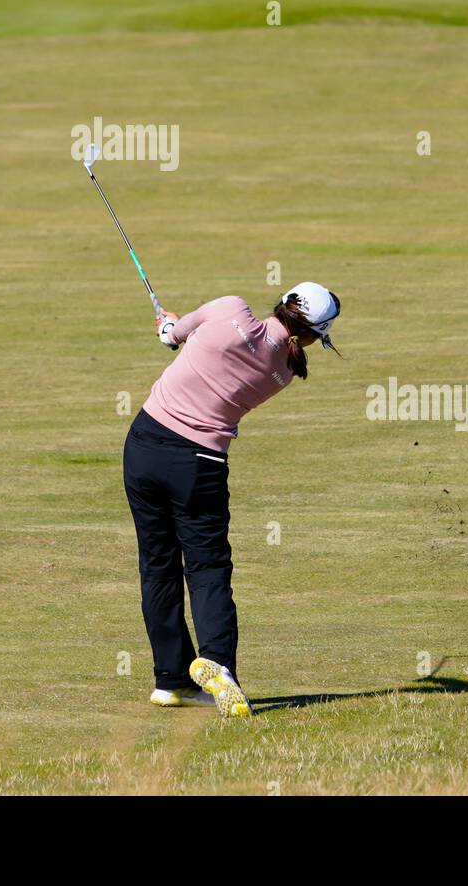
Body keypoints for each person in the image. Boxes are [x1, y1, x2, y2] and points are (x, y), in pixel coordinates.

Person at [123, 282, 342, 718]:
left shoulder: (229, 308)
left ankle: (171, 681)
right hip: (199, 464)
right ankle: (219, 666)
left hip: (143, 446)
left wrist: (168, 325)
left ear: (283, 301)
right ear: (311, 337)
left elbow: (173, 336)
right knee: (207, 569)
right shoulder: (280, 372)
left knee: (158, 564)